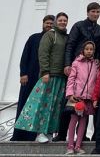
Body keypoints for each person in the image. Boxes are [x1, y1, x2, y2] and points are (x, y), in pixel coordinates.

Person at [14, 12, 69, 143]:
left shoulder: (66, 37)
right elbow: (43, 53)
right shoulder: (50, 35)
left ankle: (49, 131)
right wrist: (45, 72)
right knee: (44, 105)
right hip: (49, 76)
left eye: (65, 20)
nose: (62, 22)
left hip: (61, 77)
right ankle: (40, 132)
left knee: (55, 107)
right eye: (60, 20)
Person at [11, 14, 54, 141]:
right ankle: (19, 135)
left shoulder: (54, 40)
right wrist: (23, 73)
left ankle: (34, 134)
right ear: (43, 23)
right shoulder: (34, 38)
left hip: (44, 78)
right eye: (47, 23)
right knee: (24, 105)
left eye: (52, 24)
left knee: (39, 107)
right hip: (29, 77)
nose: (49, 25)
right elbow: (25, 56)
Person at [65, 41, 99, 155]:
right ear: (83, 50)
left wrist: (95, 97)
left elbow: (96, 81)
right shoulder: (76, 63)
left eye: (91, 49)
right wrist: (70, 94)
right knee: (73, 120)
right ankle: (70, 146)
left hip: (88, 98)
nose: (89, 51)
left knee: (83, 121)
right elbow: (71, 79)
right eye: (87, 49)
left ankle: (78, 146)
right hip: (77, 97)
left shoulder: (95, 64)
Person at [65, 3, 100, 70]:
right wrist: (67, 64)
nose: (95, 14)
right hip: (77, 63)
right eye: (93, 11)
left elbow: (99, 47)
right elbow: (70, 45)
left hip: (91, 66)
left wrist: (97, 58)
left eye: (98, 12)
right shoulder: (78, 25)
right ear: (87, 13)